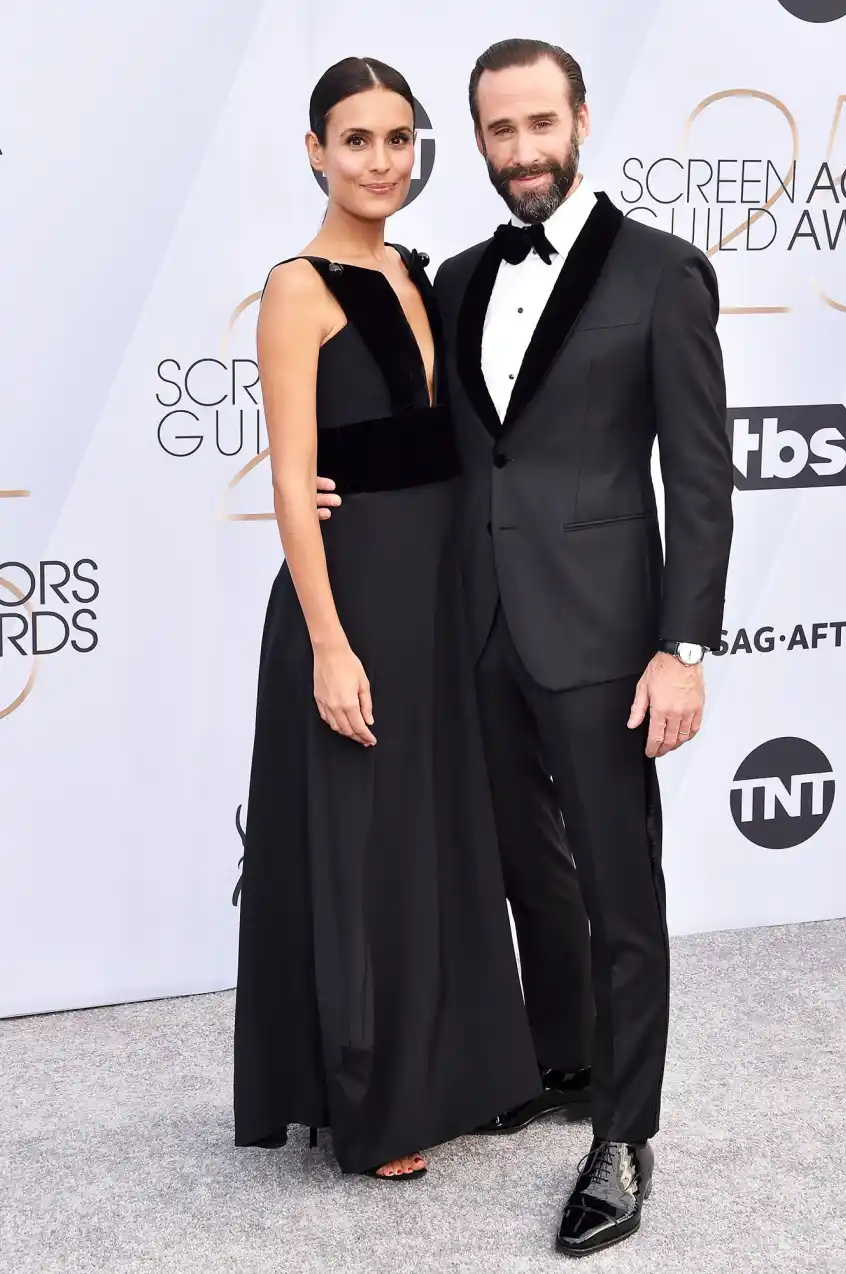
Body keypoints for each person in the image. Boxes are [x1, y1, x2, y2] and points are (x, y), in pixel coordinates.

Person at [316, 39, 734, 1252]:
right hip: (472, 621)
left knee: (617, 884)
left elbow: (700, 479)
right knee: (516, 863)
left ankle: (623, 1129)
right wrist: (333, 481)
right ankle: (563, 1058)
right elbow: (441, 440)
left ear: (580, 120)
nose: (519, 153)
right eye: (497, 132)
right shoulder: (449, 275)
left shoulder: (662, 274)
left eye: (537, 126)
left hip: (606, 631)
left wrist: (683, 646)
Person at [233, 55, 542, 1183]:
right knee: (364, 852)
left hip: (439, 597)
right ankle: (369, 1104)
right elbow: (290, 476)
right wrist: (326, 639)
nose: (379, 160)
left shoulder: (421, 273)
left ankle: (455, 1071)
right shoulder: (296, 285)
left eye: (399, 139)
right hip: (353, 601)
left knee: (437, 840)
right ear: (314, 150)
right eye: (355, 139)